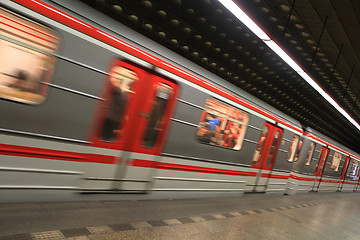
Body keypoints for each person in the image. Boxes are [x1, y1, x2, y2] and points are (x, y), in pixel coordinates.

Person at [101, 66, 137, 142]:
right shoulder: (124, 94)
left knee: (106, 137)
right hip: (114, 119)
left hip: (111, 119)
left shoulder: (120, 92)